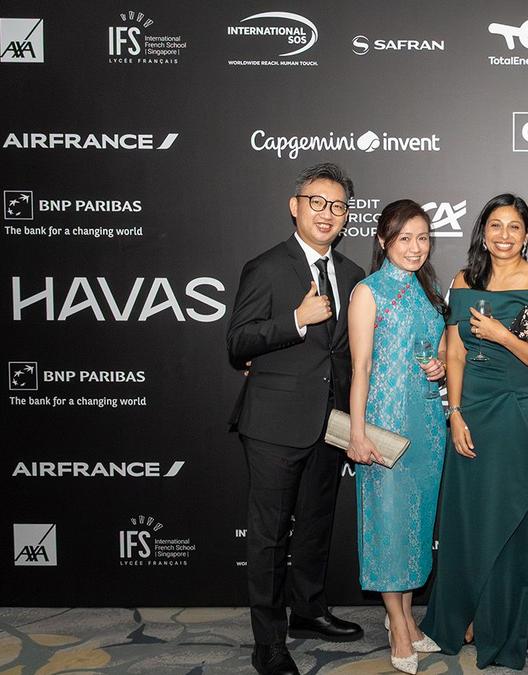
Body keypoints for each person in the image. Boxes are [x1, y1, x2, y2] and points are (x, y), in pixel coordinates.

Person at [227, 162, 366, 675]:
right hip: (273, 425)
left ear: (346, 215)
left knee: (314, 525)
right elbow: (237, 342)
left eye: (337, 206)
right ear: (296, 206)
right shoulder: (266, 267)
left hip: (329, 424)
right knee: (269, 537)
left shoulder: (352, 274)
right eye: (317, 202)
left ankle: (308, 610)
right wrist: (295, 321)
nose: (327, 213)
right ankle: (268, 641)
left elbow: (350, 352)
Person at [421, 194, 528, 670]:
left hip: (522, 406)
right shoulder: (464, 281)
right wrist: (455, 412)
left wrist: (503, 336)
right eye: (495, 226)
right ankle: (466, 612)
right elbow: (455, 352)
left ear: (527, 235)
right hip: (474, 408)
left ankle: (501, 624)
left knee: (510, 515)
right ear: (483, 233)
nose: (504, 235)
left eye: (514, 227)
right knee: (469, 516)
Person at [345, 199, 448, 675]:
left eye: (423, 237)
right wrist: (358, 433)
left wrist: (439, 366)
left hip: (427, 424)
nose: (415, 247)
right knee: (388, 525)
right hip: (384, 426)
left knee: (415, 526)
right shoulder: (368, 291)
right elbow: (361, 367)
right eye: (405, 238)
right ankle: (399, 626)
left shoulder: (429, 291)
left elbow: (437, 352)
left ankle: (403, 615)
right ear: (383, 241)